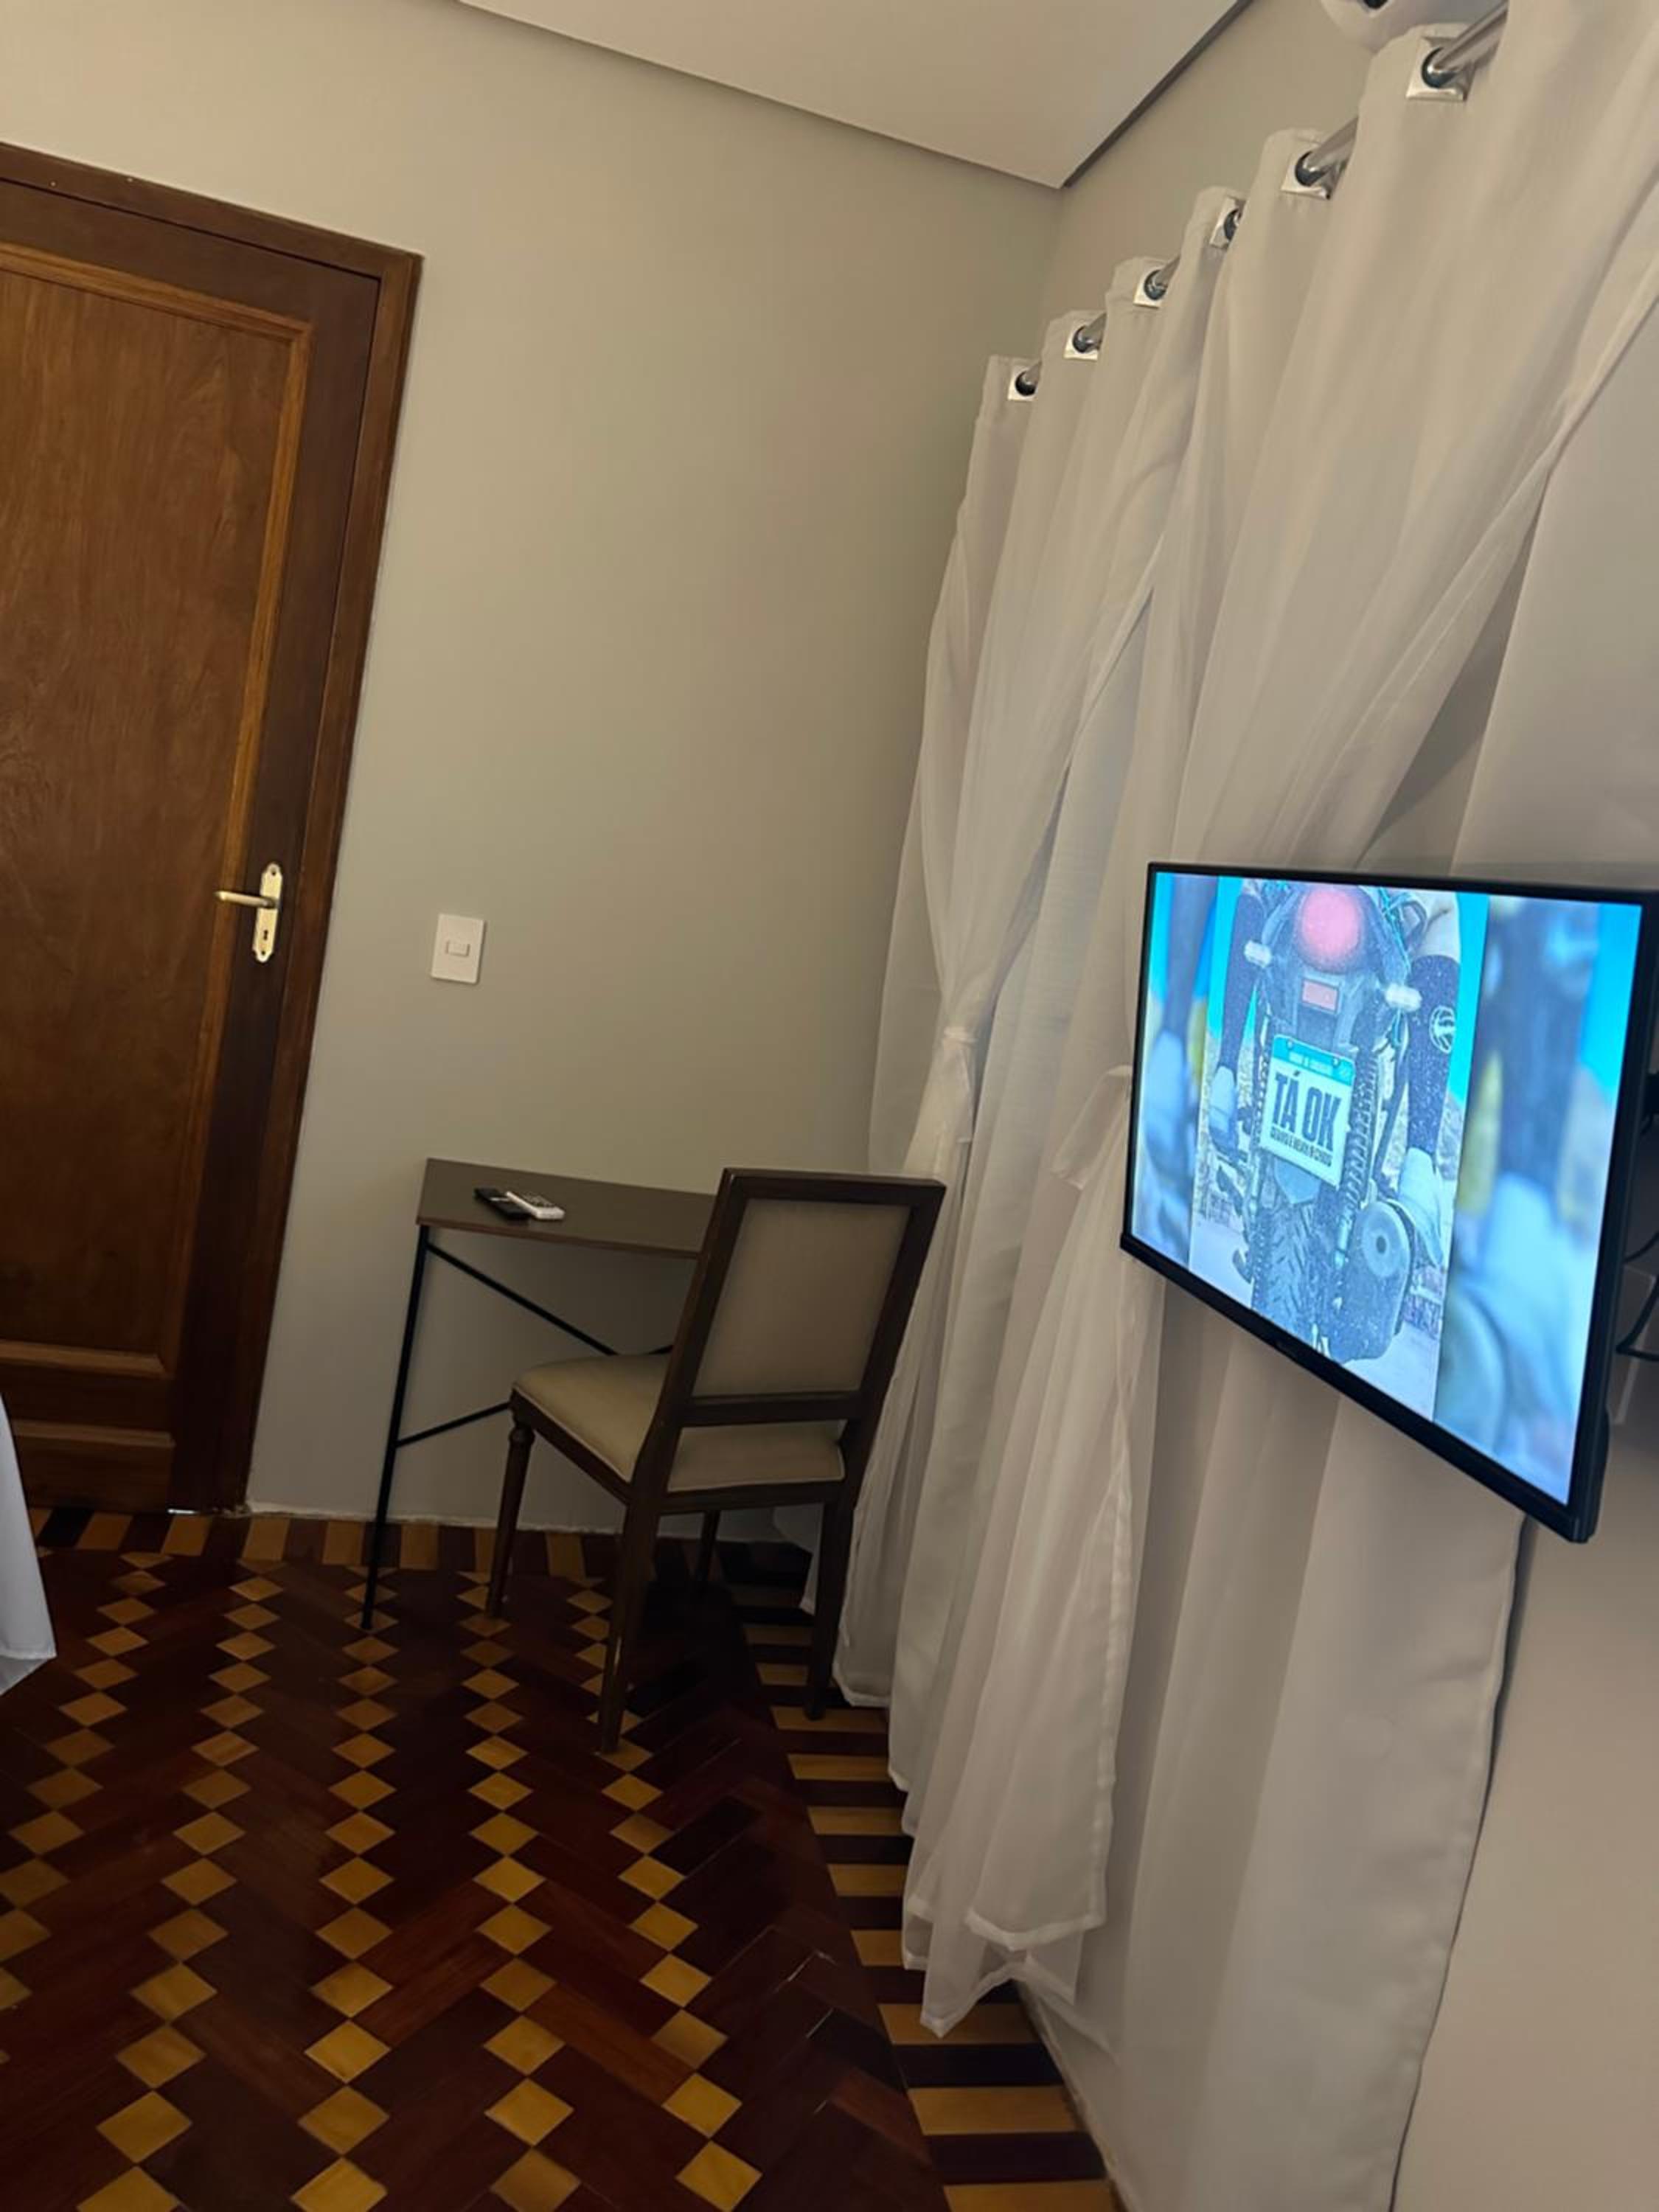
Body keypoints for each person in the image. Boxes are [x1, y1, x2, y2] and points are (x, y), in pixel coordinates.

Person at [1205, 877, 1461, 1262]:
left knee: (1252, 884)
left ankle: (1225, 1073)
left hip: (1300, 906)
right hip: (1369, 919)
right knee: (1445, 909)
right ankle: (1420, 1158)